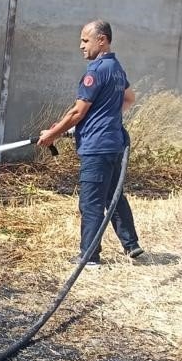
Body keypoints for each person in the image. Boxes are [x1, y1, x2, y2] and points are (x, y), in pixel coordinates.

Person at [37, 20, 144, 267]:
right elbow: (129, 98)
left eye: (85, 41)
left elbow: (77, 112)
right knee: (113, 196)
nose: (81, 46)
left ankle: (90, 256)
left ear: (102, 40)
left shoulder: (95, 71)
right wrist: (106, 119)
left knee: (91, 202)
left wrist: (53, 134)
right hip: (114, 144)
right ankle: (131, 245)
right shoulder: (116, 68)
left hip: (96, 148)